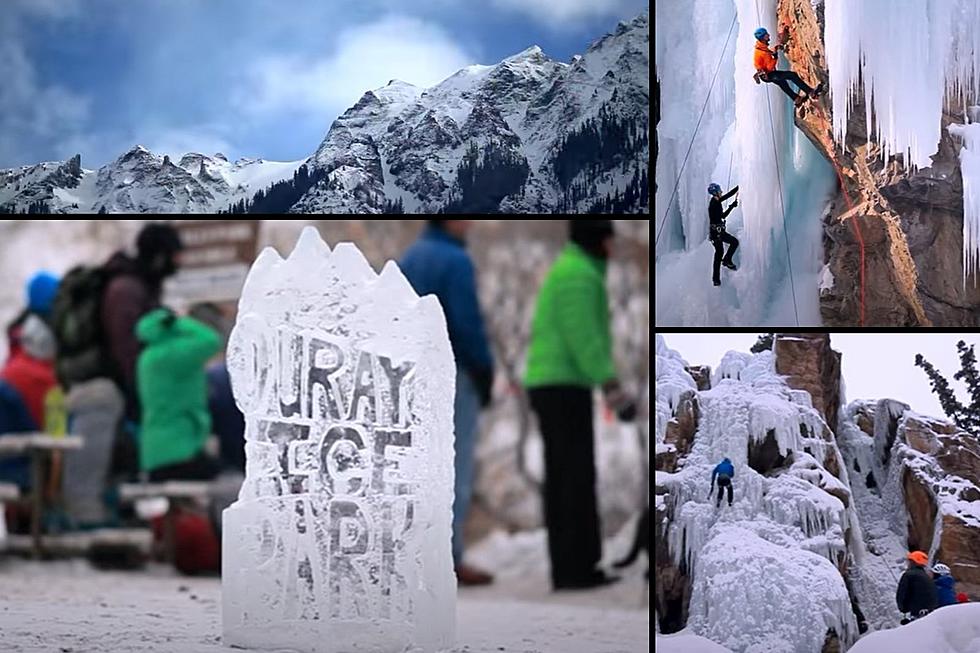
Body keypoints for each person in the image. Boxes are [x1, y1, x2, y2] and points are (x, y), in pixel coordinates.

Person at [525, 219, 637, 591]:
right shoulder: (579, 276)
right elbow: (583, 337)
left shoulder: (572, 269)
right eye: (608, 239)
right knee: (574, 477)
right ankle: (577, 570)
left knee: (563, 477)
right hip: (562, 386)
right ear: (597, 240)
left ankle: (568, 568)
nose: (611, 247)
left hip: (553, 384)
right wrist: (610, 384)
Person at [400, 220, 496, 587]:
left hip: (410, 377)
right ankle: (448, 557)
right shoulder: (454, 260)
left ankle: (416, 553)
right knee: (454, 466)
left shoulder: (411, 257)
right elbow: (467, 323)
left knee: (417, 467)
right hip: (452, 373)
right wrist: (483, 370)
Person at [136, 308, 221, 482]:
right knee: (231, 480)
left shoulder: (149, 356)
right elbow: (210, 340)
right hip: (180, 449)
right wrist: (180, 321)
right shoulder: (171, 354)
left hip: (157, 450)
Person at [753, 27, 823, 107]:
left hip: (767, 74)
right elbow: (770, 67)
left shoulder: (762, 47)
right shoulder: (760, 52)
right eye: (766, 35)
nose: (769, 35)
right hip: (768, 75)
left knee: (783, 83)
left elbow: (767, 59)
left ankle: (797, 99)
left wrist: (774, 52)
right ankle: (811, 93)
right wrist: (775, 56)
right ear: (762, 38)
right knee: (791, 75)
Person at [707, 183, 739, 286]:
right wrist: (731, 206)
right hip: (717, 233)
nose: (721, 192)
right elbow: (723, 214)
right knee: (734, 242)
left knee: (719, 253)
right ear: (715, 192)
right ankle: (727, 260)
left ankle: (716, 279)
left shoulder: (716, 201)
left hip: (716, 233)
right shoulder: (714, 204)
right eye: (719, 191)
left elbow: (727, 197)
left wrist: (732, 205)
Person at [897, 550, 938, 622]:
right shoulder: (928, 577)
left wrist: (903, 608)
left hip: (916, 613)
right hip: (930, 614)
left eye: (909, 561)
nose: (908, 564)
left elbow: (901, 594)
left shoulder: (908, 575)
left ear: (914, 562)